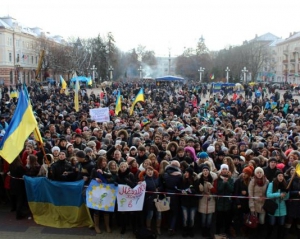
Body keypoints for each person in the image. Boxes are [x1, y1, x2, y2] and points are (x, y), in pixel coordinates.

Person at [161, 160, 182, 236]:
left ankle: (168, 226)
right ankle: (172, 228)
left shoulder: (165, 174)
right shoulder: (179, 175)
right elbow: (180, 186)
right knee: (175, 212)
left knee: (168, 211)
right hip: (175, 195)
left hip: (166, 194)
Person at [265, 171, 289, 239]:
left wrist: (286, 194)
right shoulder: (271, 184)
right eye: (279, 176)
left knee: (281, 225)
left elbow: (287, 197)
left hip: (282, 208)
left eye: (282, 176)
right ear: (276, 177)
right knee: (271, 224)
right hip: (273, 208)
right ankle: (268, 236)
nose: (281, 177)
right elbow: (268, 195)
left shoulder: (285, 184)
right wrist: (279, 194)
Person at [138, 166, 161, 234]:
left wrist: (158, 189)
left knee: (159, 214)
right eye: (148, 170)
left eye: (151, 170)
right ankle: (148, 228)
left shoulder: (157, 178)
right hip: (149, 200)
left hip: (157, 199)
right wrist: (139, 184)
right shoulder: (144, 180)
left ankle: (158, 228)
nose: (150, 172)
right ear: (146, 172)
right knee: (150, 214)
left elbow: (161, 186)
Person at [214, 163, 234, 237]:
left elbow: (231, 189)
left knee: (227, 220)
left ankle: (226, 233)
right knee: (219, 219)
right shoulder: (218, 179)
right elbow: (218, 190)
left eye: (226, 169)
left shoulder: (231, 179)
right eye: (223, 169)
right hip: (220, 202)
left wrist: (227, 183)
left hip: (227, 202)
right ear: (221, 170)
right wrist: (223, 183)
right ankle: (217, 233)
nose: (224, 170)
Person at [198, 163, 217, 238]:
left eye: (207, 170)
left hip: (211, 200)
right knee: (203, 219)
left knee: (209, 219)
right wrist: (200, 189)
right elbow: (198, 191)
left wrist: (211, 187)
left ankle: (208, 231)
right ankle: (203, 231)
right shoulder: (199, 179)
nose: (205, 172)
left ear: (209, 171)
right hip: (202, 200)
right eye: (204, 170)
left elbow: (215, 191)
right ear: (202, 172)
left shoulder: (213, 179)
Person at [248, 167, 269, 235]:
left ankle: (261, 234)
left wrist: (265, 197)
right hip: (255, 204)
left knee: (262, 221)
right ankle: (254, 235)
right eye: (257, 172)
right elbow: (250, 195)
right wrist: (252, 207)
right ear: (255, 173)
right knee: (254, 221)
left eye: (260, 172)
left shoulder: (266, 181)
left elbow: (268, 192)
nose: (259, 174)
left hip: (263, 204)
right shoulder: (252, 181)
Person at [179, 167, 199, 237]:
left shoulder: (195, 181)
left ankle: (191, 230)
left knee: (192, 218)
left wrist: (190, 191)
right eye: (185, 172)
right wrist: (182, 191)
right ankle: (185, 230)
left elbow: (196, 191)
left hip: (193, 203)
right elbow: (179, 189)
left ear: (190, 174)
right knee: (185, 218)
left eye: (187, 172)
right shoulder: (182, 180)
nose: (185, 174)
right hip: (184, 202)